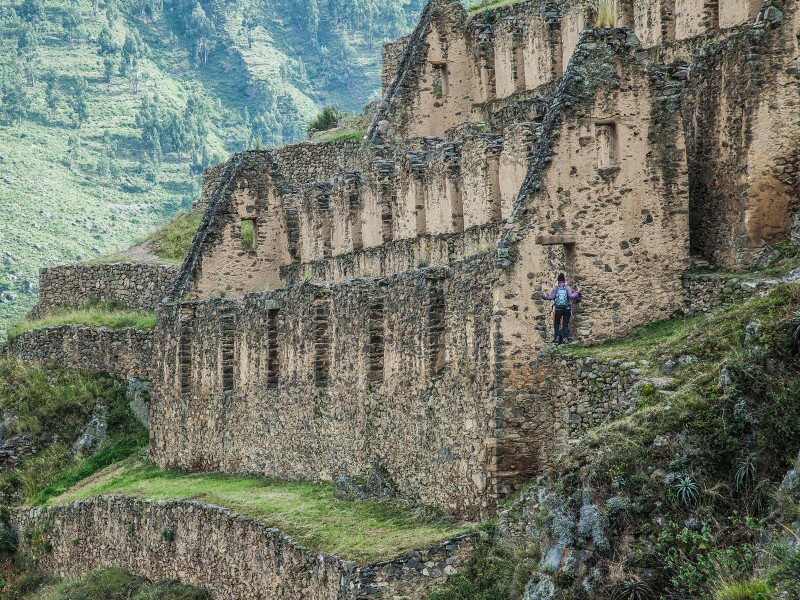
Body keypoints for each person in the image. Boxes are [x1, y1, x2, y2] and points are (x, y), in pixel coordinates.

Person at [542, 273, 581, 344]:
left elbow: (552, 297)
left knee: (556, 323)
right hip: (567, 309)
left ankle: (556, 337)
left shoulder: (556, 288)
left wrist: (544, 297)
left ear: (558, 281)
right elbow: (571, 296)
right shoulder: (567, 288)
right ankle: (565, 338)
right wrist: (578, 291)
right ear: (564, 280)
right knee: (565, 324)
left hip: (558, 309)